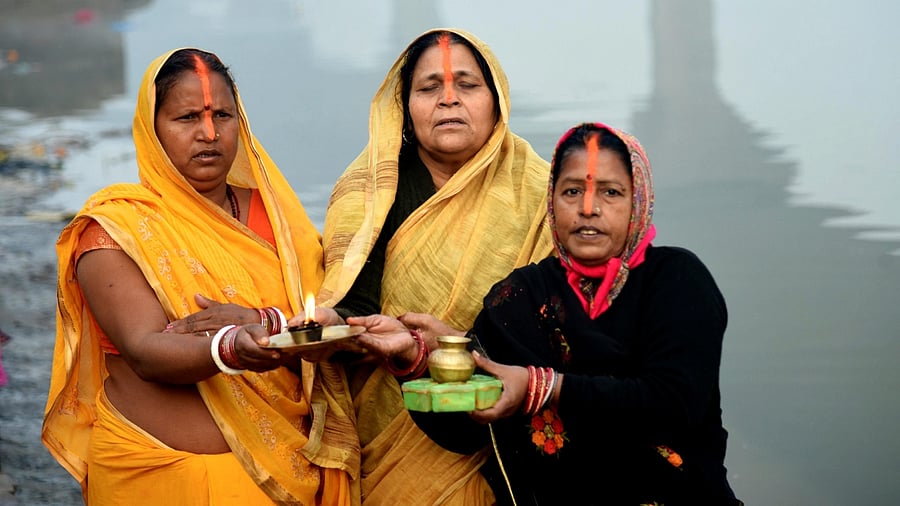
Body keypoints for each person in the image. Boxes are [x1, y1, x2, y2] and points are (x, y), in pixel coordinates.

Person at [350, 122, 742, 505]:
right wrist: (419, 359)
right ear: (551, 200)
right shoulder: (523, 294)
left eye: (611, 192)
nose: (588, 209)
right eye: (572, 191)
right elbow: (467, 433)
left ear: (638, 201)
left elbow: (674, 404)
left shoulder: (676, 279)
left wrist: (543, 387)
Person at [42, 48, 358, 505]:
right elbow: (145, 351)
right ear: (152, 129)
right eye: (187, 117)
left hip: (278, 475)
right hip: (151, 475)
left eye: (222, 115)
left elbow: (323, 323)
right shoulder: (116, 227)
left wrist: (265, 322)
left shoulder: (281, 220)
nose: (209, 133)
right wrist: (232, 346)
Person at [305, 28, 554, 504]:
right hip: (387, 426)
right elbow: (352, 305)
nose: (448, 100)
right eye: (428, 88)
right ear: (405, 106)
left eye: (467, 85)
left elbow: (559, 324)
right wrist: (324, 325)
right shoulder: (370, 189)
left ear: (497, 100)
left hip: (506, 427)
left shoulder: (541, 190)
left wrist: (456, 348)